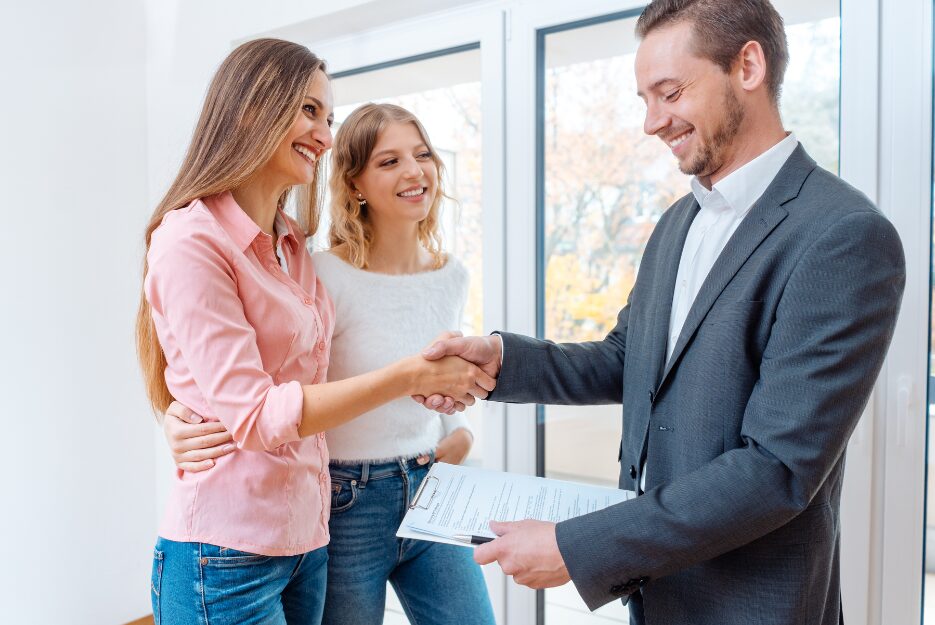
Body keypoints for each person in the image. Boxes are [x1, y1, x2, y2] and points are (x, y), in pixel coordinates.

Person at [417, 1, 906, 623]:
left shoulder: (844, 234)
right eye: (644, 99)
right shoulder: (679, 221)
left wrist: (580, 547)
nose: (652, 122)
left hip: (751, 604)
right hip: (658, 592)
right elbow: (632, 360)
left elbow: (777, 468)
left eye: (669, 92)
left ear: (748, 65)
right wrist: (503, 362)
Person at [138, 40, 493, 625]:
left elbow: (302, 371)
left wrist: (451, 428)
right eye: (310, 112)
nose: (325, 135)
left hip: (307, 536)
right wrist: (178, 414)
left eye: (327, 118)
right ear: (253, 108)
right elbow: (251, 410)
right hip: (229, 547)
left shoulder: (291, 245)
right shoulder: (192, 239)